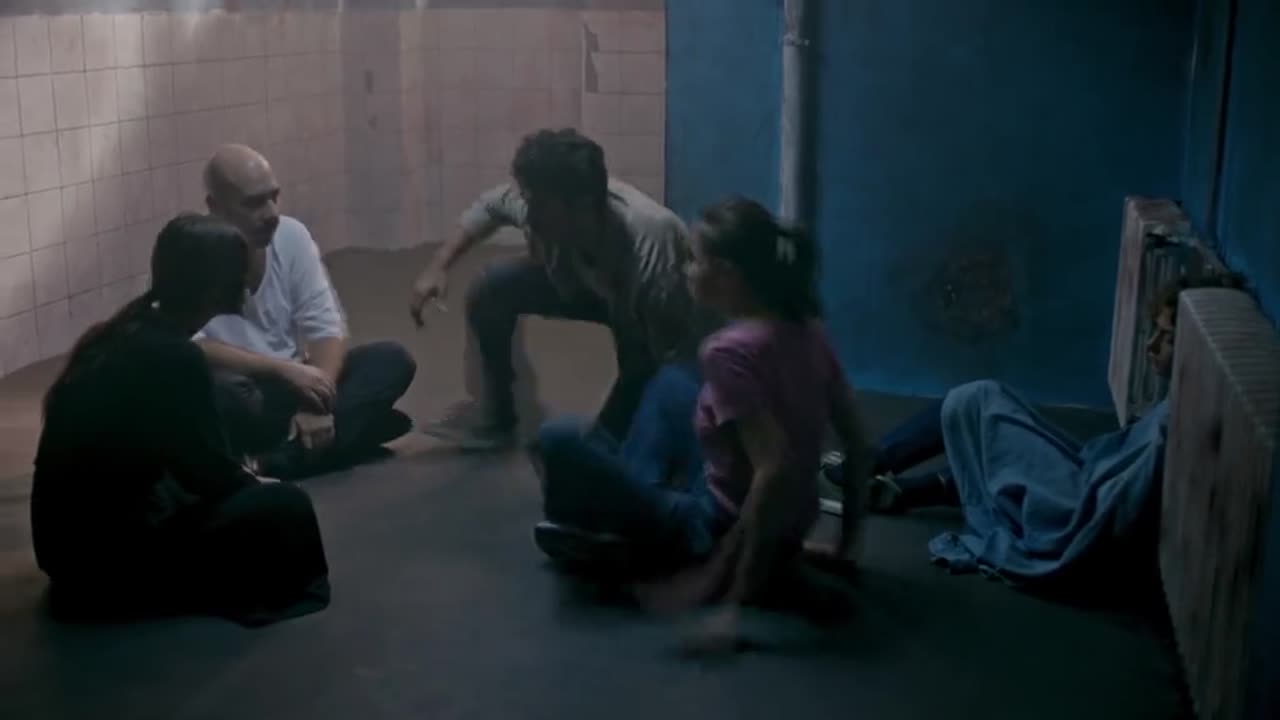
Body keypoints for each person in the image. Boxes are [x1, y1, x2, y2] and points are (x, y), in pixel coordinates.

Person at [529, 196, 875, 644]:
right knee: (672, 381)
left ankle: (621, 529)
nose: (687, 270)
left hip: (712, 526)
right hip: (789, 519)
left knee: (556, 438)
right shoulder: (809, 331)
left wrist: (728, 595)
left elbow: (773, 468)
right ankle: (631, 504)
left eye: (695, 260)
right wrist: (846, 547)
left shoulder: (728, 351)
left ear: (727, 274)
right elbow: (859, 444)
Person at [821, 271, 1246, 586]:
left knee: (980, 399)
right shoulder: (1182, 406)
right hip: (1085, 481)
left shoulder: (1171, 423)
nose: (1151, 346)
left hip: (1074, 506)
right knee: (1003, 436)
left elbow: (1114, 509)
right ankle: (906, 490)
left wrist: (1083, 486)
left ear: (1192, 345)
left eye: (1165, 337)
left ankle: (870, 462)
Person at [30, 213, 330, 626]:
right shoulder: (174, 356)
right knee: (287, 505)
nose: (246, 283)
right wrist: (254, 483)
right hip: (98, 566)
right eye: (239, 274)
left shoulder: (125, 330)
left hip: (63, 552)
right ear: (215, 286)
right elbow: (207, 474)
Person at [408, 128, 717, 450]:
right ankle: (499, 416)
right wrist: (437, 267)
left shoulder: (649, 241)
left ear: (582, 205)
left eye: (539, 204)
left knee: (638, 381)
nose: (529, 213)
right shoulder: (539, 206)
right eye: (528, 199)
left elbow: (665, 355)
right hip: (582, 283)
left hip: (640, 306)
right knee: (493, 287)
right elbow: (489, 207)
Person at [197, 144, 417, 480]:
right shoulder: (192, 251)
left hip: (295, 388)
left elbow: (327, 329)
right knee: (223, 395)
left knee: (391, 361)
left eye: (274, 197)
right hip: (245, 393)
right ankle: (346, 435)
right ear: (216, 208)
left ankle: (274, 461)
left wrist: (316, 403)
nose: (271, 213)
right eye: (254, 203)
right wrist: (281, 370)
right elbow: (190, 345)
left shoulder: (291, 236)